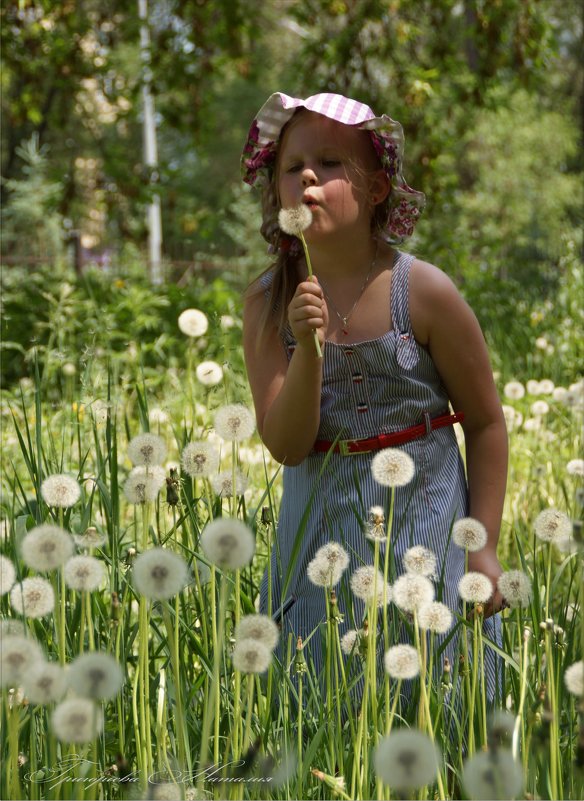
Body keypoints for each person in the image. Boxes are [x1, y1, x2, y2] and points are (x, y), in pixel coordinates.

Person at [240, 92, 508, 697]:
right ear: (276, 191)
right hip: (317, 548)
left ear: (378, 188)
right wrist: (306, 347)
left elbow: (487, 424)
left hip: (428, 535)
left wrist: (483, 549)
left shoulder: (423, 293)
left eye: (331, 163)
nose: (308, 174)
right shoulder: (267, 303)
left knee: (441, 705)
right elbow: (286, 445)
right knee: (324, 710)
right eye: (292, 166)